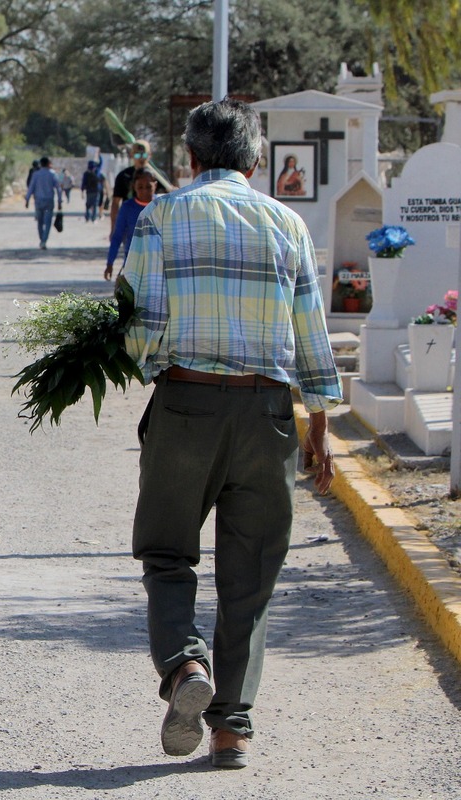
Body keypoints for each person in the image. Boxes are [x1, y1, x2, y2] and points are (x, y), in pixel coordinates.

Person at [119, 98, 341, 771]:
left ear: (189, 158)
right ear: (256, 159)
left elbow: (139, 328)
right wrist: (319, 431)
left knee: (166, 552)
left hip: (185, 404)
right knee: (250, 574)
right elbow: (312, 337)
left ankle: (186, 666)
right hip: (268, 413)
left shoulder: (160, 218)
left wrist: (154, 367)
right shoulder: (288, 225)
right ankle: (232, 729)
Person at [104, 169, 157, 281]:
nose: (144, 191)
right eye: (140, 187)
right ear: (134, 186)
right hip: (133, 265)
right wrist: (110, 263)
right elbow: (117, 236)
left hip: (158, 265)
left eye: (148, 187)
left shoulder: (162, 206)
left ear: (155, 185)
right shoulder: (127, 208)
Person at [25, 156, 63, 249]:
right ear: (48, 164)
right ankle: (44, 240)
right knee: (48, 222)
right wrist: (59, 201)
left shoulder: (36, 174)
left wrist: (27, 199)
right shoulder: (52, 174)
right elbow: (58, 188)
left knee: (40, 221)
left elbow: (31, 187)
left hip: (38, 200)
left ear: (41, 164)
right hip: (49, 200)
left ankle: (42, 238)